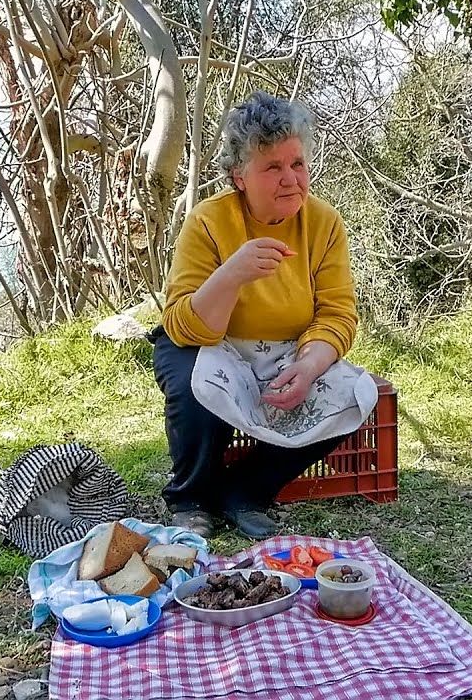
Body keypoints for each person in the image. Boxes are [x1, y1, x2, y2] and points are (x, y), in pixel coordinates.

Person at [151, 91, 361, 540]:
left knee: (353, 394)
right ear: (239, 176)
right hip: (210, 342)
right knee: (194, 383)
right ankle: (190, 498)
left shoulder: (324, 223)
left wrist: (309, 366)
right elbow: (183, 326)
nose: (290, 179)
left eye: (297, 163)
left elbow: (337, 315)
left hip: (286, 348)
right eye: (272, 167)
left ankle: (244, 492)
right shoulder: (207, 221)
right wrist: (231, 276)